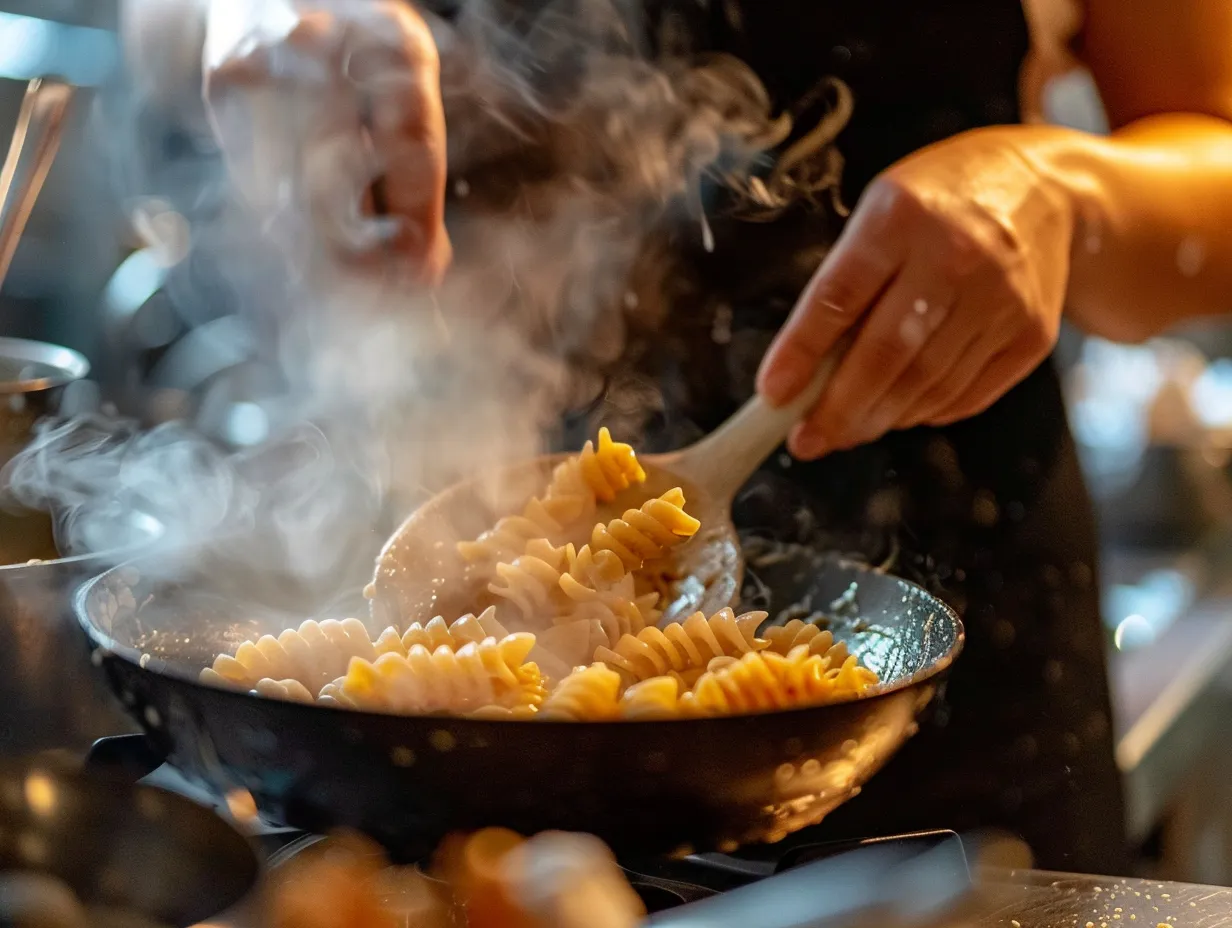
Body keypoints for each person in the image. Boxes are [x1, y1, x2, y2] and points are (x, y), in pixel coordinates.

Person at [120, 0, 1232, 874]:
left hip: (927, 723)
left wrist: (1068, 195)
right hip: (397, 749)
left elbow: (1206, 154)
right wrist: (244, 16)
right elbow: (159, 27)